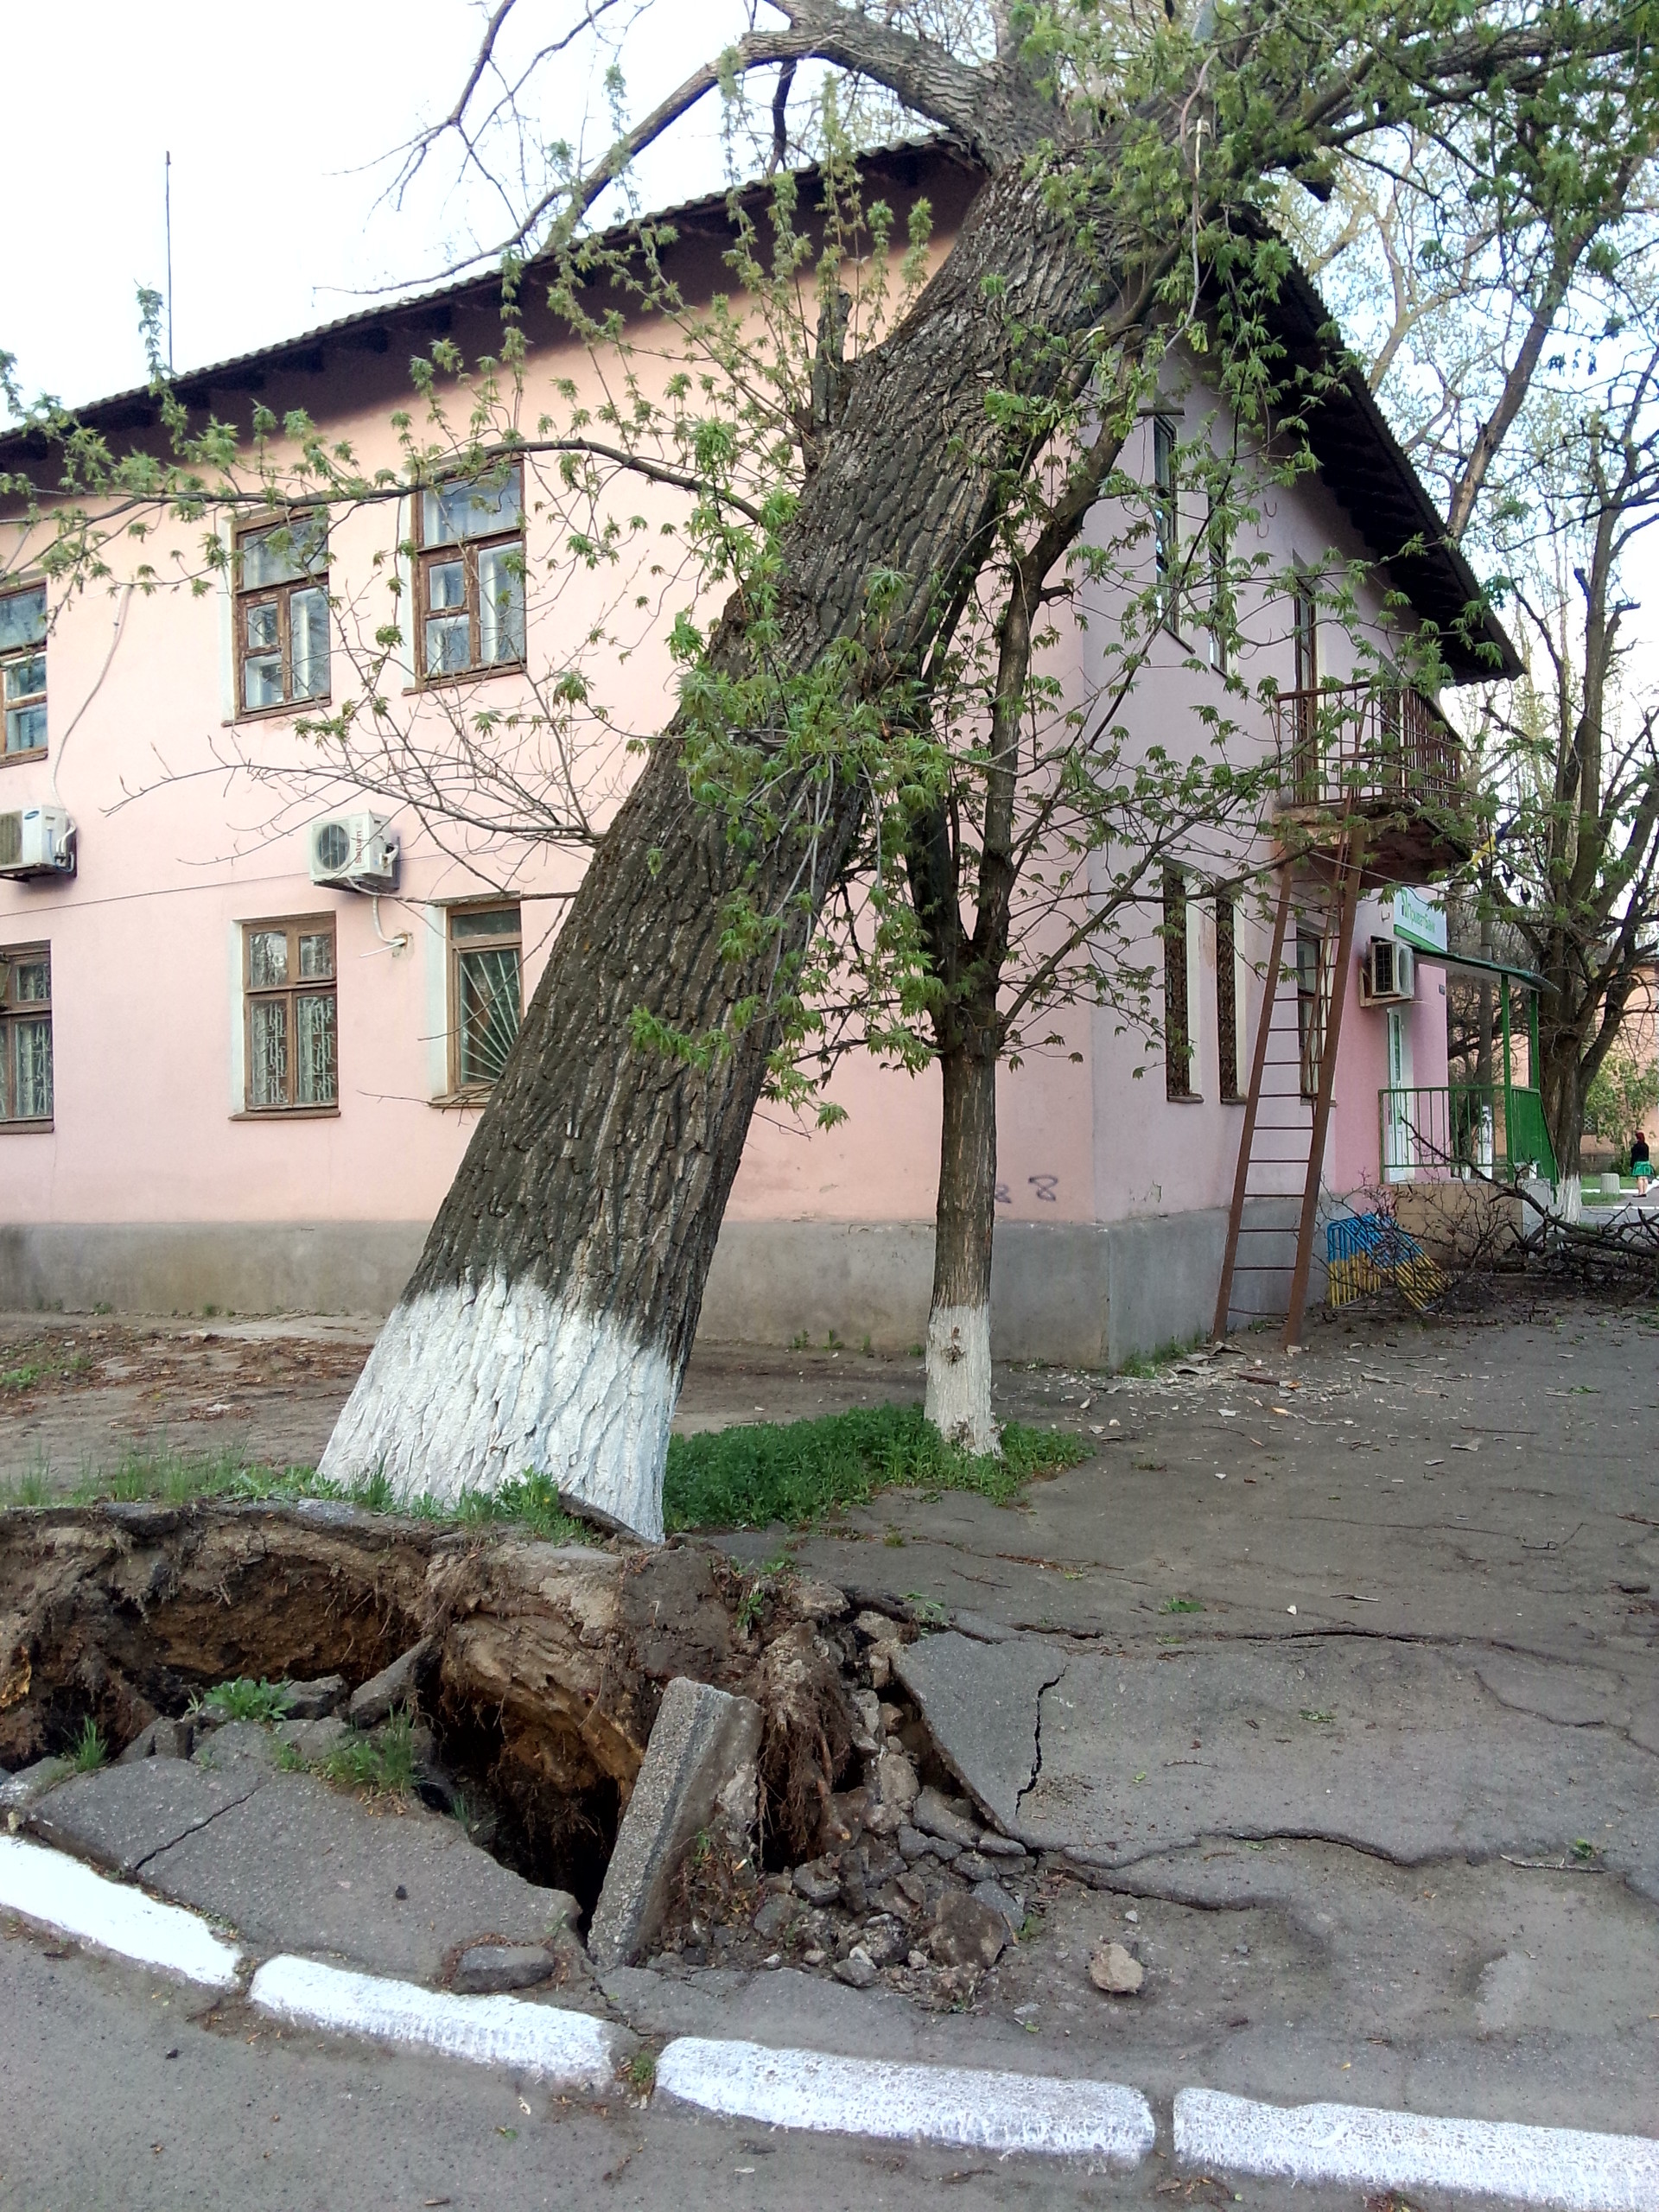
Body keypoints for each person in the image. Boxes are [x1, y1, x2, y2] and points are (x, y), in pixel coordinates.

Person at [1632, 1131, 1652, 1196]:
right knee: (1645, 1178)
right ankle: (1644, 1192)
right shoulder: (1646, 1146)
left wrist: (1632, 1164)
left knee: (1640, 1178)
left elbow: (1634, 1156)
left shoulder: (1636, 1146)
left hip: (1639, 1163)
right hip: (1646, 1163)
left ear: (1638, 1138)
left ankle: (1640, 1192)